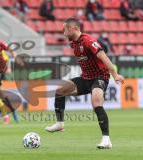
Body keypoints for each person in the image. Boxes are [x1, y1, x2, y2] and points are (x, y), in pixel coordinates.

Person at [45, 18, 124, 149]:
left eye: (64, 30)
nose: (63, 33)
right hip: (86, 78)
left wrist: (114, 75)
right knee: (60, 90)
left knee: (96, 101)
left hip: (99, 77)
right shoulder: (73, 43)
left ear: (72, 28)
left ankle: (106, 140)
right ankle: (60, 123)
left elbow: (104, 57)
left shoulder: (88, 41)